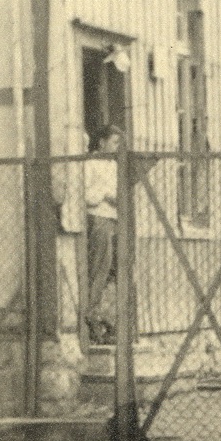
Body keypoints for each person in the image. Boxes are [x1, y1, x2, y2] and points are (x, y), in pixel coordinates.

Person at [84, 126, 123, 344]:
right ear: (102, 143)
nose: (117, 147)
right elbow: (86, 195)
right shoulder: (90, 163)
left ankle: (106, 319)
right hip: (98, 218)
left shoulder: (114, 166)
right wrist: (107, 195)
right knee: (99, 267)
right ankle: (91, 314)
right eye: (114, 142)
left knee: (112, 271)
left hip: (113, 219)